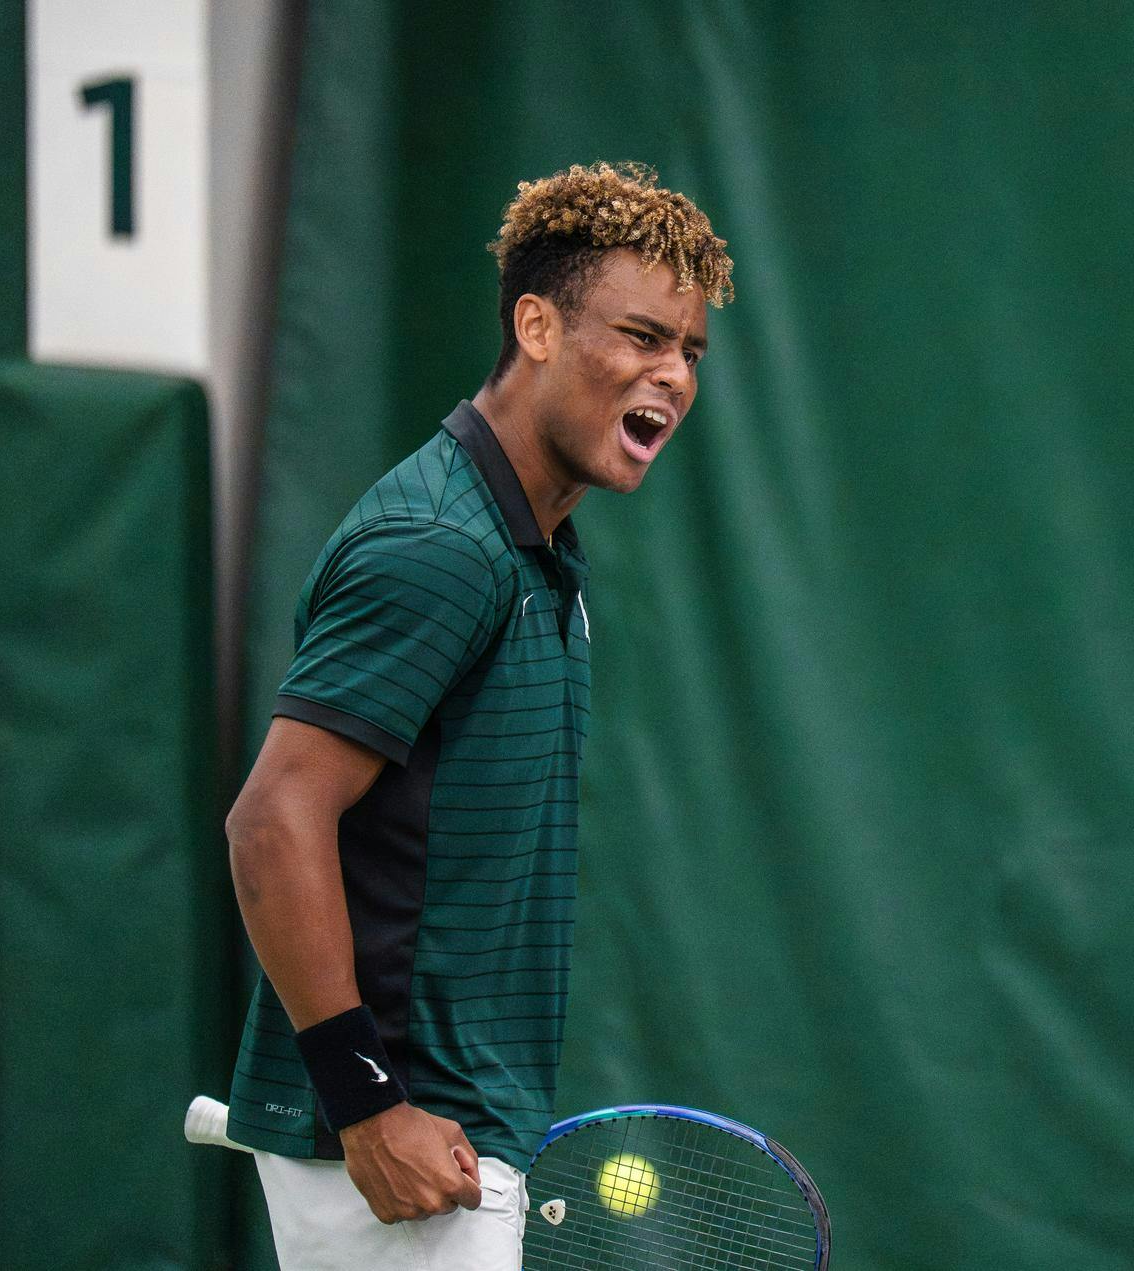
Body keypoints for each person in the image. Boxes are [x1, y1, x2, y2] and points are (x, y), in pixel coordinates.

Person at [220, 161, 732, 1269]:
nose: (671, 374)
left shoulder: (539, 552)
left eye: (688, 349)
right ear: (537, 325)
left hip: (456, 1128)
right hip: (399, 1134)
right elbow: (271, 819)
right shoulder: (441, 548)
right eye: (641, 335)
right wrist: (366, 1102)